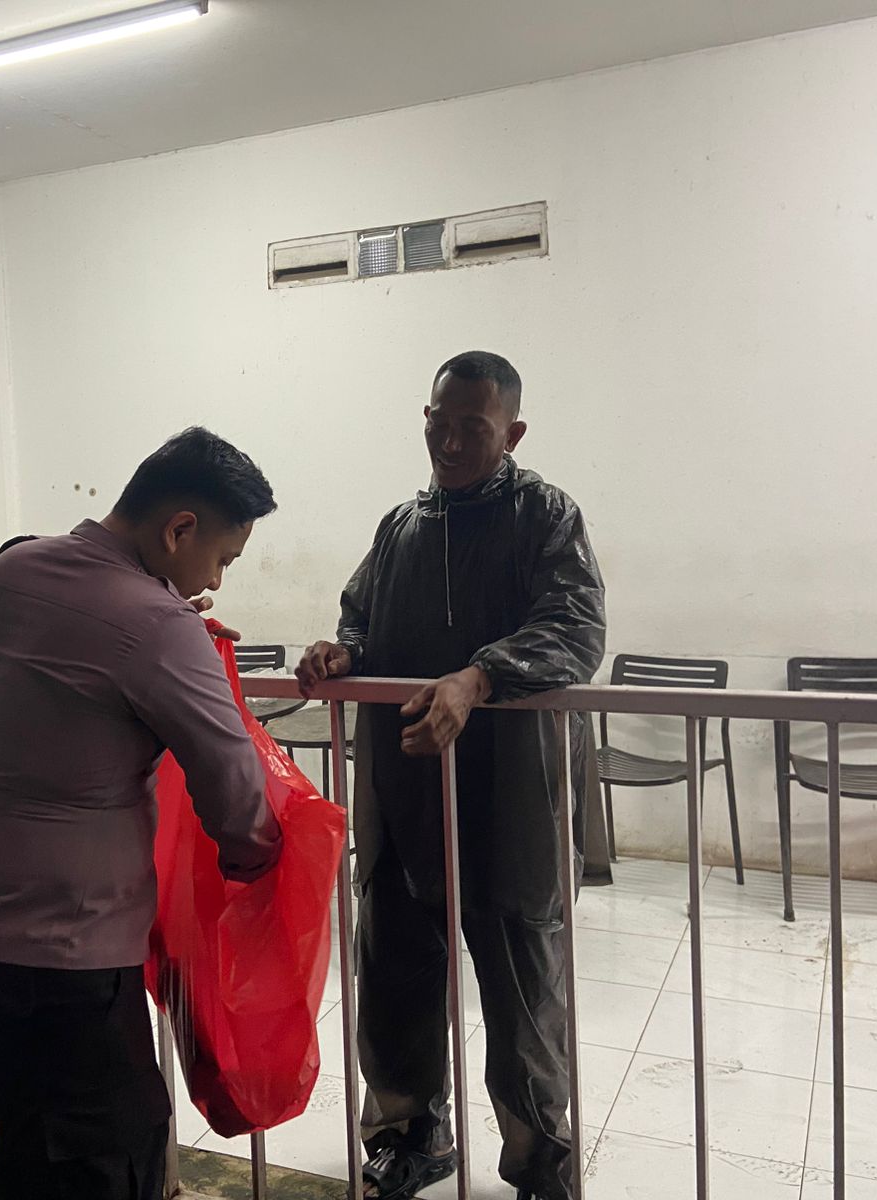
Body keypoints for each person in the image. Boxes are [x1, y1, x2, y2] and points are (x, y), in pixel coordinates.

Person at [0, 427, 284, 1200]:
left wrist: (164, 615)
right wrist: (254, 863)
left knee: (33, 1151)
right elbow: (235, 791)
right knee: (110, 1165)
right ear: (179, 529)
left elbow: (74, 658)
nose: (214, 580)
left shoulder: (12, 571)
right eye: (221, 558)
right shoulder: (158, 626)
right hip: (61, 968)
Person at [298, 351, 606, 1200]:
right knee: (394, 972)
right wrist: (343, 651)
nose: (453, 441)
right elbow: (361, 615)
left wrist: (479, 677)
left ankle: (540, 1159)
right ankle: (410, 1134)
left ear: (513, 432)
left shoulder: (545, 516)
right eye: (441, 421)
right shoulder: (402, 526)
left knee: (522, 985)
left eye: (475, 426)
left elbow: (575, 627)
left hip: (510, 794)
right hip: (406, 788)